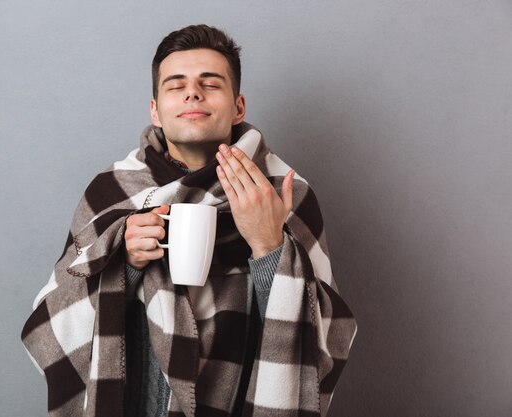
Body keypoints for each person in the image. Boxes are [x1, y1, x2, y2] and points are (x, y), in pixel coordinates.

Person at [21, 24, 356, 417]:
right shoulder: (111, 191)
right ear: (155, 110)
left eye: (210, 84)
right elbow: (50, 318)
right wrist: (121, 263)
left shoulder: (283, 193)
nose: (192, 93)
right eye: (175, 84)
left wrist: (270, 250)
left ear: (238, 106)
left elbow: (329, 336)